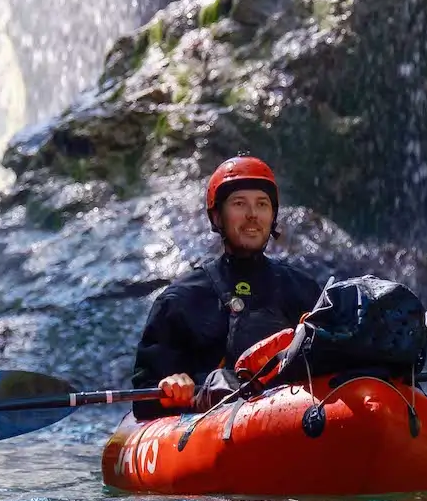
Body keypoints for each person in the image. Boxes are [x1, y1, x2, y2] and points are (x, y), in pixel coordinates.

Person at [129, 155, 322, 419]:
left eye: (262, 204)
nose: (252, 214)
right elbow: (143, 402)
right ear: (217, 216)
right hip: (208, 426)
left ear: (273, 215)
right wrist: (171, 385)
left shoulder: (303, 291)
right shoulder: (180, 300)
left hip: (291, 420)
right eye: (239, 203)